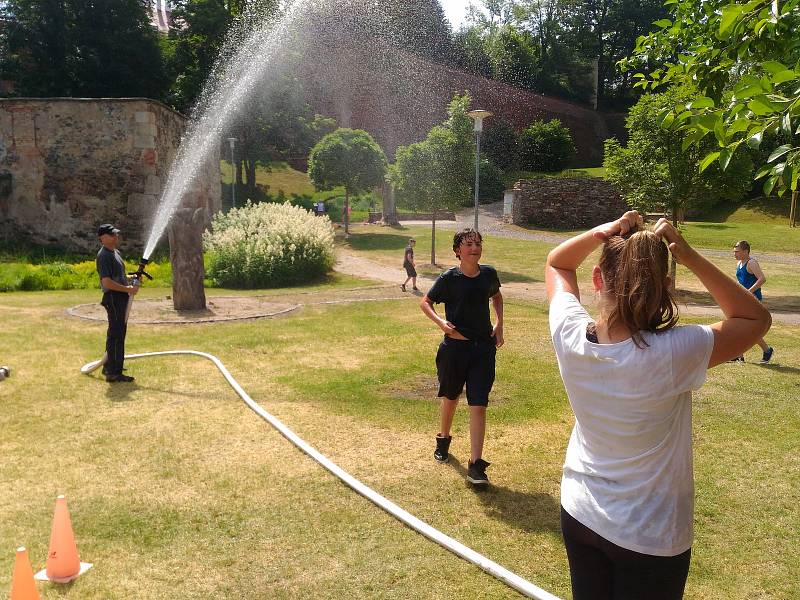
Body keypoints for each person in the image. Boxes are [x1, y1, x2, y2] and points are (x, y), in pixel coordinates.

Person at [546, 211, 770, 599]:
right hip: (649, 534)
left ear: (599, 280)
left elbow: (558, 263)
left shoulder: (570, 335)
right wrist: (689, 255)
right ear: (665, 287)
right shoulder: (675, 351)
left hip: (580, 511)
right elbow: (754, 317)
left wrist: (601, 231)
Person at [420, 228, 504, 485]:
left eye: (477, 243)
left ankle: (476, 465)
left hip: (483, 349)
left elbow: (497, 296)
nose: (474, 248)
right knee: (451, 397)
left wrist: (499, 324)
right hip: (455, 349)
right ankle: (443, 439)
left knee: (479, 404)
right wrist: (441, 323)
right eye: (468, 244)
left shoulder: (488, 274)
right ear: (458, 250)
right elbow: (425, 302)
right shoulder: (449, 278)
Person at [96, 223, 139, 383]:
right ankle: (113, 372)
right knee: (116, 333)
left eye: (116, 234)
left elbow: (118, 276)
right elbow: (106, 282)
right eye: (112, 234)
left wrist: (131, 278)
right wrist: (127, 288)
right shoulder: (104, 256)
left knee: (118, 332)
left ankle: (111, 365)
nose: (116, 237)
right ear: (103, 237)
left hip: (120, 297)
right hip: (113, 298)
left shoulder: (115, 253)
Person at [732, 240, 773, 363]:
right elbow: (741, 281)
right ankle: (740, 355)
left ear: (745, 251)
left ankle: (766, 350)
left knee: (749, 329)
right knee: (742, 327)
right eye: (734, 252)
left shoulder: (751, 263)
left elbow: (762, 279)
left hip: (754, 300)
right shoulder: (739, 263)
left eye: (737, 252)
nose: (735, 254)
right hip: (744, 300)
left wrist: (748, 292)